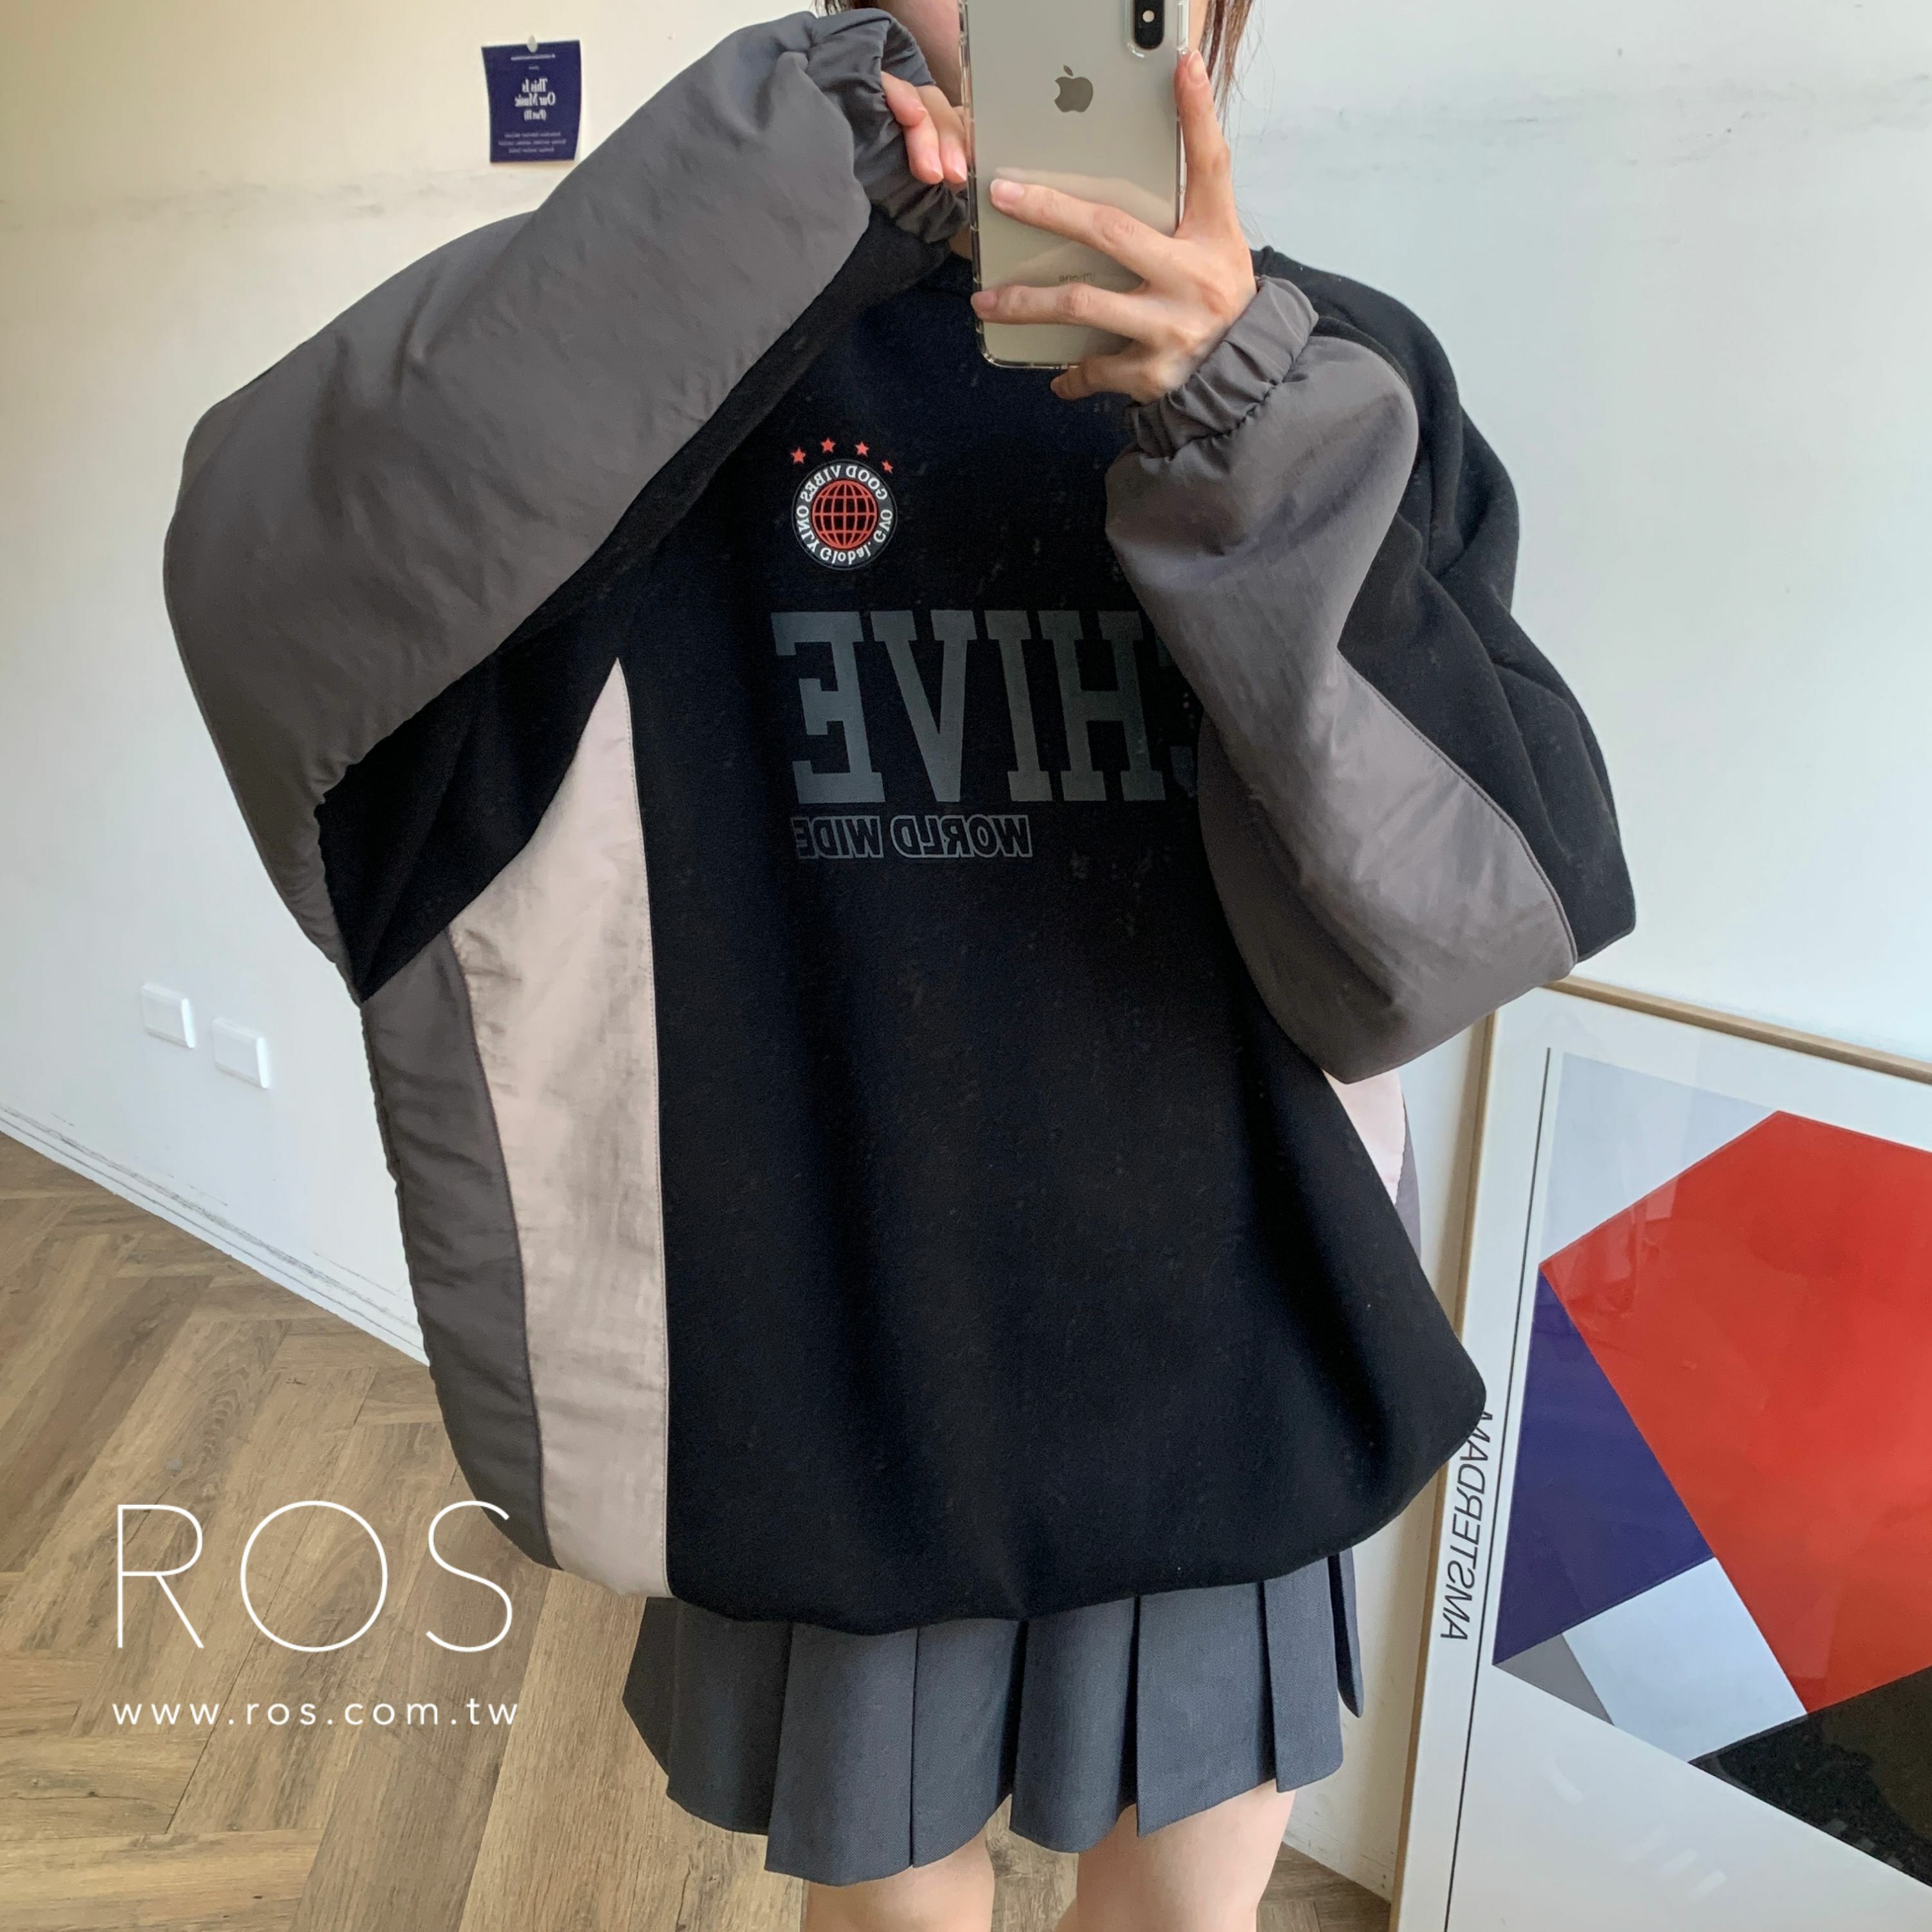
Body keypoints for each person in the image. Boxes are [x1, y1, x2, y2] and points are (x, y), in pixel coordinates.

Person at [163, 6, 1634, 1930]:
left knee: (1188, 1910)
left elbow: (1475, 886)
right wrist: (796, 158)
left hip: (1239, 1348)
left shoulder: (1343, 367)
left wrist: (1245, 416)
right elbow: (296, 606)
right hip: (830, 1361)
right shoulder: (647, 355)